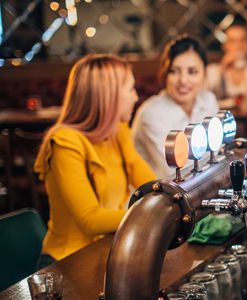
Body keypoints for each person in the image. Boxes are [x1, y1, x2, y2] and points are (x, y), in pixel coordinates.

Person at [33, 54, 156, 261]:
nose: (136, 97)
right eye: (130, 89)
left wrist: (163, 200)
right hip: (67, 261)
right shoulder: (65, 142)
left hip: (109, 248)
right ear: (109, 96)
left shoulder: (117, 129)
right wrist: (149, 216)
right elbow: (90, 220)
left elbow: (147, 182)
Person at [131, 35, 219, 177]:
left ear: (204, 74)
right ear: (164, 74)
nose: (183, 80)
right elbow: (177, 174)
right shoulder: (152, 114)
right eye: (174, 71)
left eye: (192, 71)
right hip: (157, 195)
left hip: (199, 189)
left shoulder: (208, 100)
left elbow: (218, 155)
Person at [205, 22, 247, 115]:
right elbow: (202, 97)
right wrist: (222, 69)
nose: (238, 45)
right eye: (232, 41)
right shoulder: (213, 70)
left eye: (243, 40)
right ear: (225, 46)